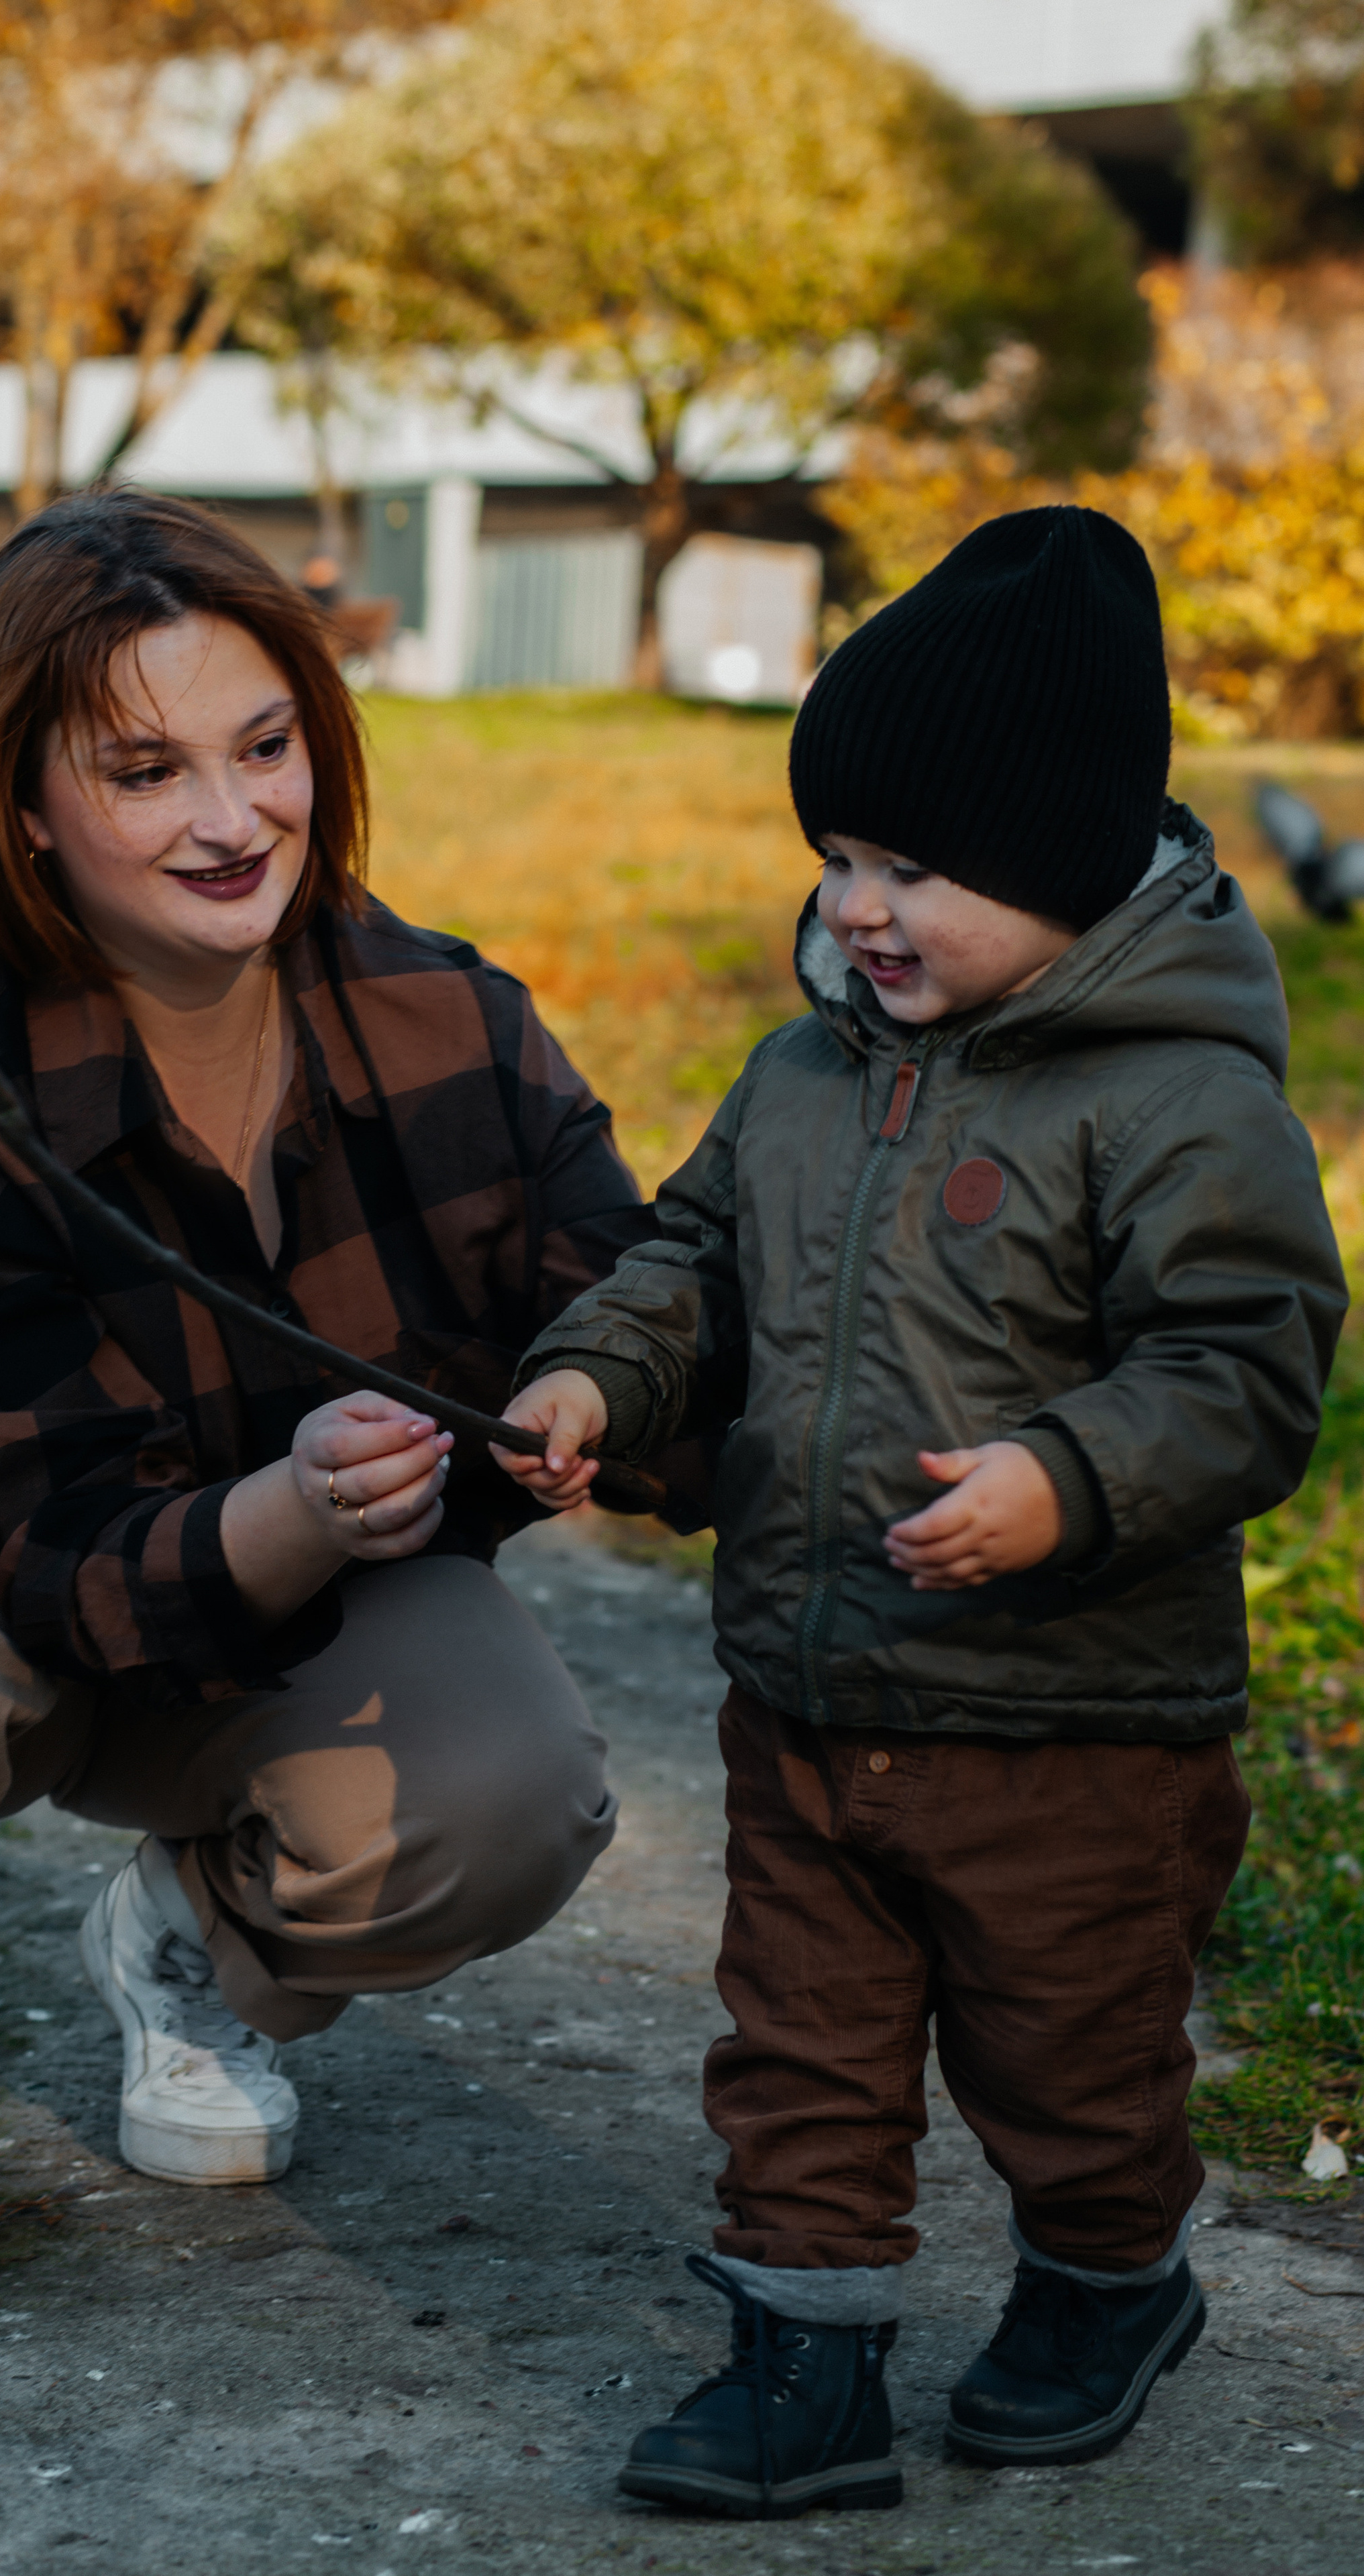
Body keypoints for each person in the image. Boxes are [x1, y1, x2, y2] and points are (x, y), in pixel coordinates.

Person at [0, 488, 664, 2314]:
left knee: (517, 1790)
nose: (231, 818)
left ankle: (193, 1949)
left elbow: (633, 1292)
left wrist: (602, 1386)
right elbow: (51, 1555)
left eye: (263, 746)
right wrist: (289, 1506)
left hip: (286, 1606)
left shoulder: (455, 1022)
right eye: (144, 772)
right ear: (23, 805)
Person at [496, 506, 1348, 2518]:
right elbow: (685, 1263)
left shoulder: (1178, 1103)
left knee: (1071, 2061)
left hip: (1073, 1725)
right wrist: (593, 1377)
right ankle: (804, 2363)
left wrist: (1068, 1480)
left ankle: (1106, 2280)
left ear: (1056, 868)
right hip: (810, 1704)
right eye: (839, 859)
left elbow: (1246, 1364)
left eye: (915, 870)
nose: (858, 910)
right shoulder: (807, 1073)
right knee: (798, 2047)